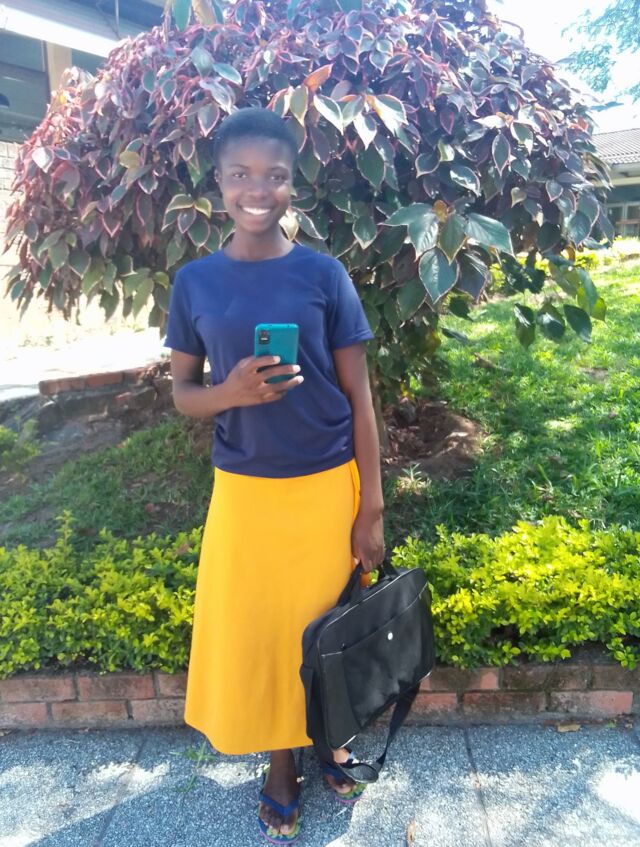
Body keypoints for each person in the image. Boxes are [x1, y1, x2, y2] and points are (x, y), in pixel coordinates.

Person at [163, 105, 385, 844]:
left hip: (325, 488)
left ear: (293, 183)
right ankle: (281, 760)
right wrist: (230, 392)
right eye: (240, 174)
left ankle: (332, 738)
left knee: (328, 626)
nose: (257, 190)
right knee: (267, 633)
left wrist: (371, 507)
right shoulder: (195, 282)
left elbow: (360, 397)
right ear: (218, 182)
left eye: (275, 175)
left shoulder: (324, 274)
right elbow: (183, 393)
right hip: (247, 494)